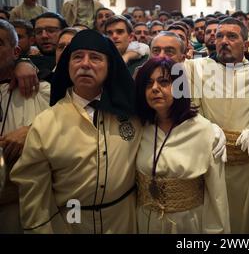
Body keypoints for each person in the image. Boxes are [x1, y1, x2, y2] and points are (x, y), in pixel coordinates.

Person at [11, 29, 143, 233]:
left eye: (96, 58)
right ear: (68, 65)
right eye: (77, 57)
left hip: (123, 221)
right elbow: (33, 191)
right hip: (69, 224)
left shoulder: (132, 114)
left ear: (110, 66)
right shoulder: (46, 123)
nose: (85, 64)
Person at [185, 17, 249, 233]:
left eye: (232, 36)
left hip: (248, 164)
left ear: (246, 45)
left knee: (247, 225)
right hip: (212, 162)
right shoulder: (196, 68)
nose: (224, 41)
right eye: (219, 36)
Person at [134, 57, 230, 233]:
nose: (155, 88)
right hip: (147, 220)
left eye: (164, 82)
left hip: (188, 222)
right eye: (148, 84)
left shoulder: (203, 130)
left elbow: (217, 195)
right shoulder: (140, 127)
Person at [0, 20, 50, 233]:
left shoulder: (42, 89)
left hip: (28, 205)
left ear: (15, 50)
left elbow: (67, 124)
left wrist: (33, 130)